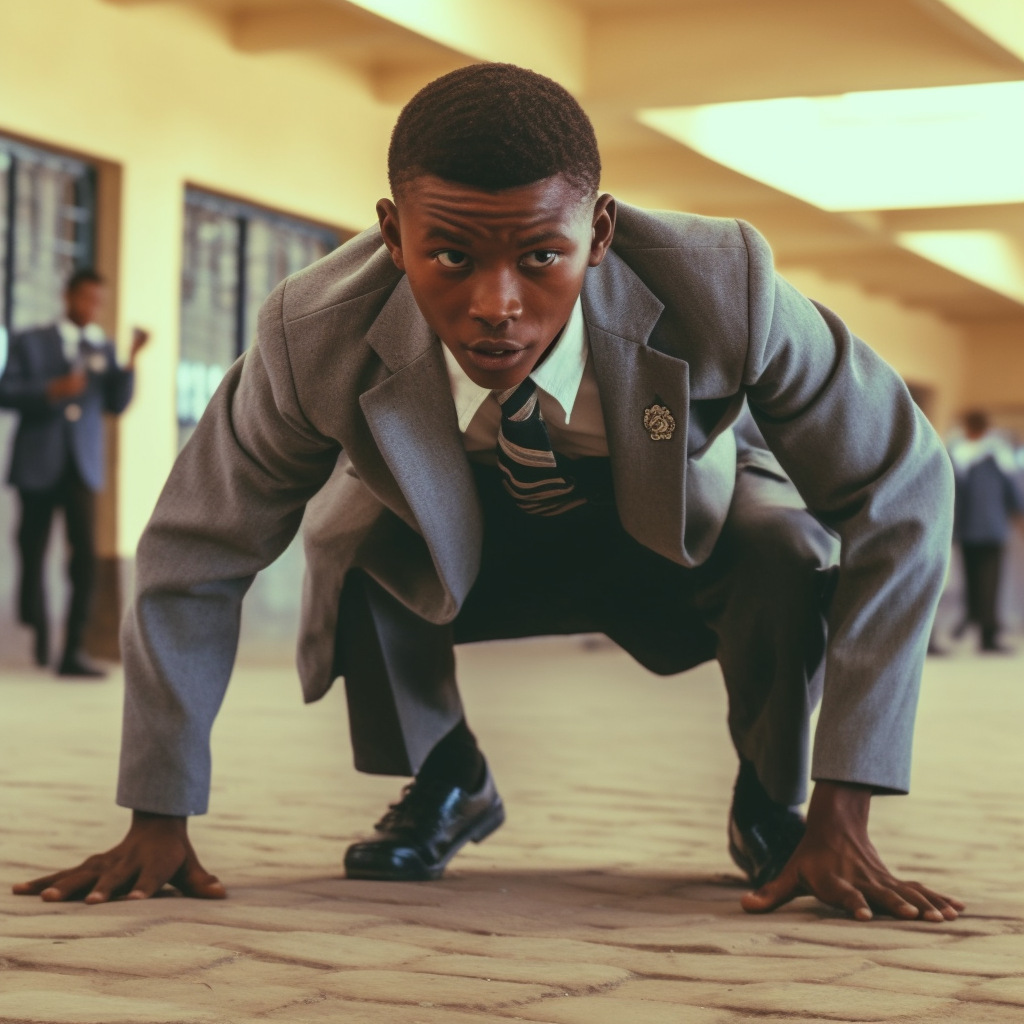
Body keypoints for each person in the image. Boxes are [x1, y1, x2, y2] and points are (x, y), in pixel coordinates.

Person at [14, 65, 963, 924]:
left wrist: (848, 802)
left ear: (599, 233)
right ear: (394, 235)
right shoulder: (314, 332)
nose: (495, 304)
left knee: (786, 542)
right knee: (350, 532)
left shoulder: (728, 285)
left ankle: (774, 802)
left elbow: (903, 485)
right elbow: (197, 546)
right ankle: (448, 778)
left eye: (539, 259)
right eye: (452, 256)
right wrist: (157, 815)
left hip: (669, 536)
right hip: (457, 541)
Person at [0, 269, 148, 676]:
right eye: (84, 298)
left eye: (96, 300)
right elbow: (5, 391)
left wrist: (132, 359)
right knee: (32, 551)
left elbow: (115, 405)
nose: (90, 306)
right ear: (67, 296)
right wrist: (51, 390)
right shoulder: (30, 340)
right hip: (37, 463)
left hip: (82, 467)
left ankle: (73, 652)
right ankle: (38, 624)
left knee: (83, 557)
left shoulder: (102, 346)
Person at [949, 410, 1024, 653]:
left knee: (984, 583)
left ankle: (982, 628)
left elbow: (1012, 492)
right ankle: (980, 627)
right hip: (980, 528)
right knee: (982, 583)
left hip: (980, 529)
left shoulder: (990, 454)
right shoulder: (964, 452)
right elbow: (1013, 492)